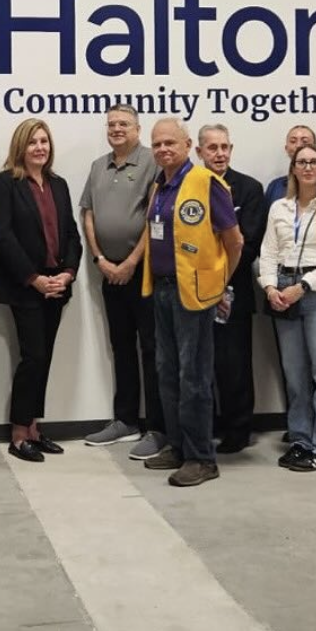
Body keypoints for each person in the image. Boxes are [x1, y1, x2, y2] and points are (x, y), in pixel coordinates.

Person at [141, 118, 244, 487]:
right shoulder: (160, 186)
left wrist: (219, 285)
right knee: (167, 374)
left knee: (194, 377)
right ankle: (179, 446)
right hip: (164, 291)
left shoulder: (206, 182)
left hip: (195, 295)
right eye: (157, 144)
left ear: (187, 145)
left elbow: (235, 242)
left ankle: (202, 457)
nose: (163, 149)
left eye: (171, 142)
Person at [0, 118, 83, 463]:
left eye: (44, 141)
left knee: (45, 357)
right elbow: (1, 235)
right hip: (26, 287)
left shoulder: (58, 184)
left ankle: (34, 428)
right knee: (33, 358)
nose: (40, 147)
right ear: (20, 147)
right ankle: (18, 433)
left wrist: (69, 273)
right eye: (32, 142)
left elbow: (72, 233)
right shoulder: (5, 183)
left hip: (57, 284)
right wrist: (33, 278)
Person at [79, 106, 163, 459]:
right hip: (109, 273)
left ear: (138, 129)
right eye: (111, 124)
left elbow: (155, 215)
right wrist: (101, 259)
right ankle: (126, 421)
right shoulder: (99, 166)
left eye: (123, 124)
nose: (116, 129)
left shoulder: (152, 162)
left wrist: (130, 262)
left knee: (153, 350)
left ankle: (159, 429)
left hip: (143, 273)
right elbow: (87, 213)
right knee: (121, 347)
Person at [260, 144, 316, 471]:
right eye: (302, 162)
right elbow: (268, 251)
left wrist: (304, 287)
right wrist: (270, 286)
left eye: (314, 162)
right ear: (293, 169)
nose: (308, 167)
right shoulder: (279, 207)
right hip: (283, 291)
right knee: (295, 375)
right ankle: (300, 440)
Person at [194, 124, 265, 454]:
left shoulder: (249, 189)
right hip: (193, 291)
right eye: (212, 148)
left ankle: (238, 431)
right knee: (199, 364)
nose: (219, 154)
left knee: (234, 364)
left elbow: (248, 243)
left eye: (224, 147)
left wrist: (219, 278)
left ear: (231, 149)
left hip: (233, 290)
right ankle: (203, 427)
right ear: (199, 152)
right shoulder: (188, 187)